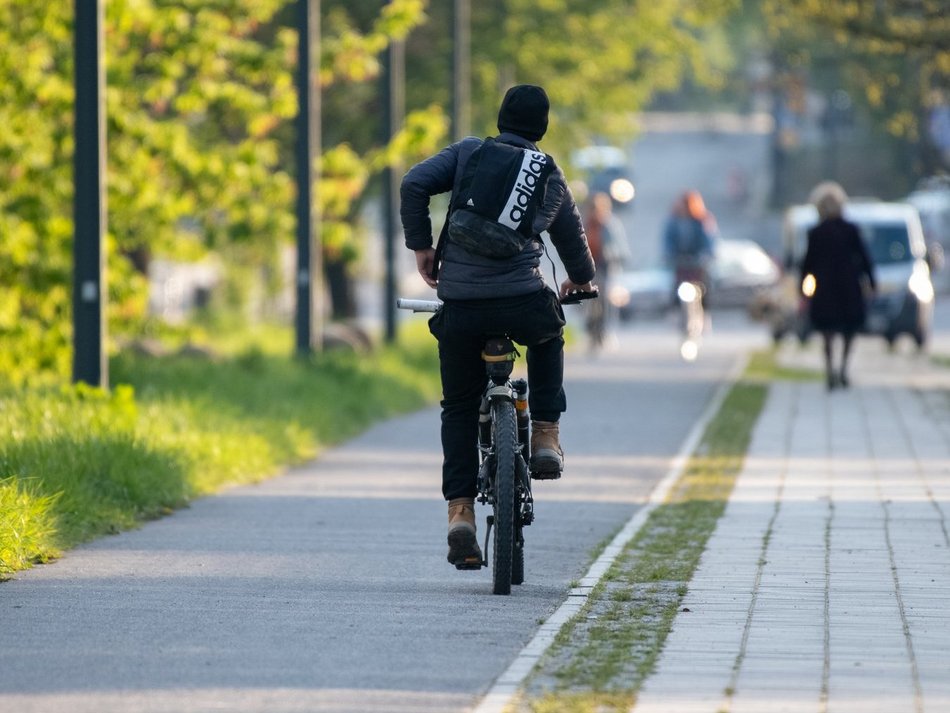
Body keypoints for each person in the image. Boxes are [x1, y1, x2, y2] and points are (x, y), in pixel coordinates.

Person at [400, 84, 596, 568]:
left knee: (459, 410)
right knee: (549, 334)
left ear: (501, 119)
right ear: (542, 127)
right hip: (520, 301)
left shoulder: (468, 152)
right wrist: (580, 280)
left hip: (462, 304)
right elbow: (572, 239)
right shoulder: (547, 172)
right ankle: (546, 434)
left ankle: (460, 513)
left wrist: (422, 246)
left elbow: (413, 183)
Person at [800, 181, 876, 390]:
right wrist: (871, 282)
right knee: (849, 329)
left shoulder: (816, 232)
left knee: (827, 331)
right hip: (848, 286)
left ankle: (830, 369)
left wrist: (803, 288)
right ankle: (842, 368)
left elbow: (807, 263)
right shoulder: (851, 229)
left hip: (825, 287)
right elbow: (864, 258)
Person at [583, 191, 630, 349]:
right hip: (588, 268)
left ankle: (606, 330)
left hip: (607, 266)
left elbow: (621, 247)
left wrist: (612, 254)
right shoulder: (584, 224)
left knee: (607, 299)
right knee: (586, 298)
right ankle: (590, 328)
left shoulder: (611, 225)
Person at [662, 190, 716, 307]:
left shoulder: (702, 221)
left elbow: (708, 241)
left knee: (704, 287)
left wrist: (705, 255)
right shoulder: (673, 222)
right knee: (675, 286)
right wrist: (669, 254)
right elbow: (668, 241)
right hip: (680, 261)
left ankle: (705, 309)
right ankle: (675, 308)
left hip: (696, 262)